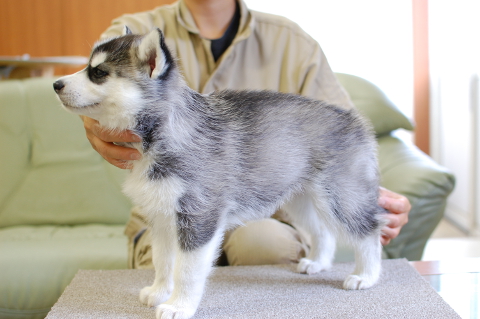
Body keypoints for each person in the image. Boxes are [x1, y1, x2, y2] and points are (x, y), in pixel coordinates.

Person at [81, 0, 410, 268]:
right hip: (168, 210)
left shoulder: (293, 43)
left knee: (265, 246)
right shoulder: (132, 33)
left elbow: (336, 141)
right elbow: (93, 91)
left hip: (265, 210)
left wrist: (364, 195)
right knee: (167, 268)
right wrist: (95, 120)